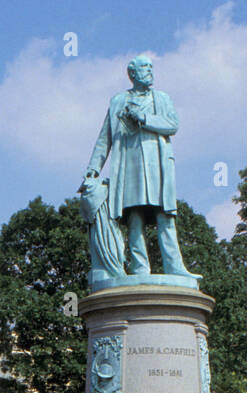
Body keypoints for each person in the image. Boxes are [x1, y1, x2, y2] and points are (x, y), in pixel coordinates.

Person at [83, 56, 196, 280]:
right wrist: (93, 168)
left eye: (151, 67)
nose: (150, 71)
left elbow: (172, 125)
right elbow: (105, 137)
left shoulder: (162, 98)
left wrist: (143, 117)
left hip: (158, 165)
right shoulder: (118, 101)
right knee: (135, 218)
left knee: (165, 215)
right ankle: (140, 269)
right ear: (132, 74)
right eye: (145, 67)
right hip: (129, 166)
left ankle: (175, 266)